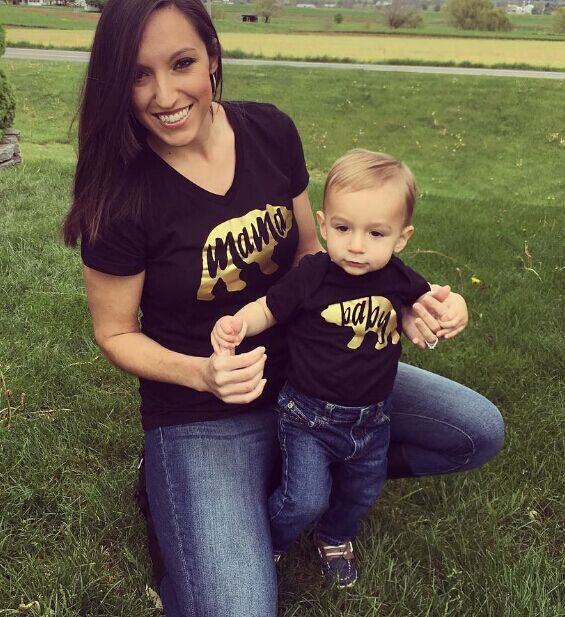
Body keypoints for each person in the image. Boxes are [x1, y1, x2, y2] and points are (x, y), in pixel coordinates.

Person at [62, 0, 504, 614]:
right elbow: (113, 333)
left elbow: (308, 255)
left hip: (319, 375)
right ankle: (189, 488)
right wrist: (202, 372)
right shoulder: (121, 194)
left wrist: (389, 302)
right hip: (204, 410)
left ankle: (306, 471)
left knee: (474, 430)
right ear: (116, 80)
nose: (164, 94)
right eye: (138, 74)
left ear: (212, 58)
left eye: (182, 62)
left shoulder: (271, 131)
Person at [211, 150, 463, 588]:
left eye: (376, 233)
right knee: (304, 498)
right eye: (344, 229)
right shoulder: (313, 274)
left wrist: (455, 306)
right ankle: (270, 540)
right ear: (324, 225)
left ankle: (336, 535)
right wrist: (239, 324)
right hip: (308, 417)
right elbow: (270, 309)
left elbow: (436, 300)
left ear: (401, 238)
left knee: (361, 491)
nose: (358, 245)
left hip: (372, 419)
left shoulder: (398, 278)